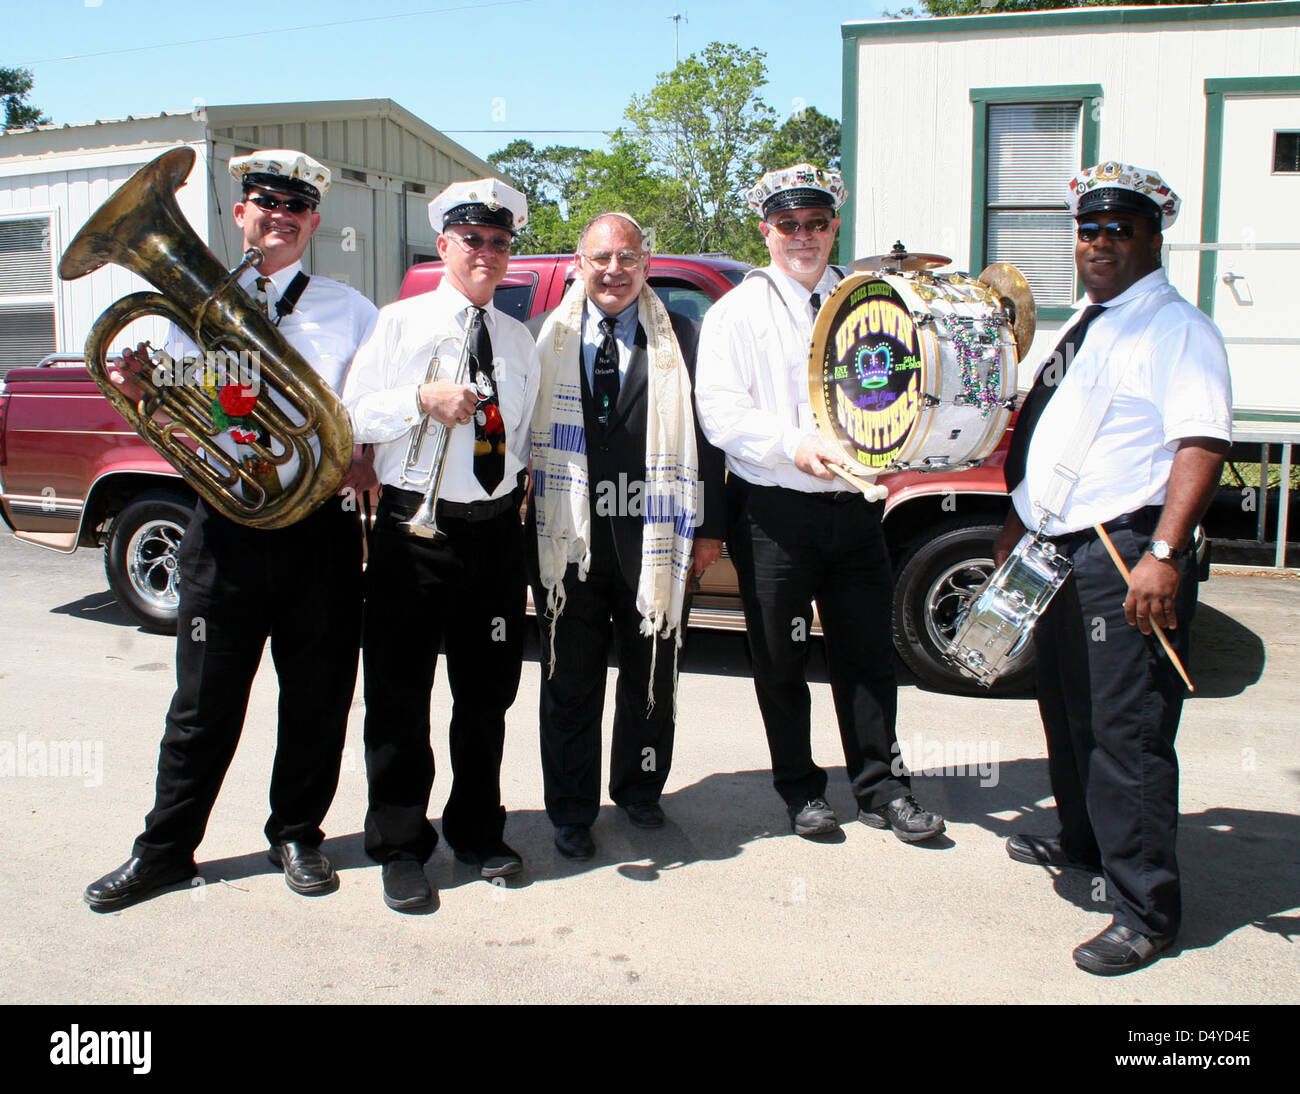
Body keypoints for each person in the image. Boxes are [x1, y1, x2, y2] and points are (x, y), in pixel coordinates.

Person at [84, 150, 379, 910]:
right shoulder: (189, 310)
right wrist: (141, 386)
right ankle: (166, 850)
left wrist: (365, 456)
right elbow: (192, 412)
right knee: (201, 707)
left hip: (320, 534)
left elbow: (372, 410)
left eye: (295, 207)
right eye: (263, 202)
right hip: (228, 534)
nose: (277, 216)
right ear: (240, 213)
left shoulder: (350, 309)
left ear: (313, 222)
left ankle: (297, 834)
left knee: (316, 701)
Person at [994, 161, 1232, 975]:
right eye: (1088, 229)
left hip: (1124, 550)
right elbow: (1050, 435)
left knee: (1126, 734)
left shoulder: (1177, 329)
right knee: (1067, 712)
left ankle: (1146, 910)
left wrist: (1163, 553)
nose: (1098, 242)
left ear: (1152, 237)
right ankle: (1083, 844)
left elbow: (1199, 442)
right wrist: (1015, 519)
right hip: (1056, 545)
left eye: (1117, 229)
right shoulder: (1086, 324)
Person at [694, 163, 944, 842]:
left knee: (866, 655)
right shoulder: (734, 313)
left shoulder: (871, 302)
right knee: (780, 660)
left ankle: (882, 788)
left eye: (815, 223)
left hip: (854, 510)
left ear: (834, 226)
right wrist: (790, 444)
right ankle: (801, 790)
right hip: (775, 510)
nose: (802, 236)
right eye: (787, 224)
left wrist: (895, 445)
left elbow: (896, 386)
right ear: (766, 229)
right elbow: (719, 412)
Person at [343, 179, 539, 912]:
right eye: (472, 240)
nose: (486, 253)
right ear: (445, 245)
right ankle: (399, 844)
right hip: (413, 534)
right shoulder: (400, 323)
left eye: (498, 242)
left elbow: (518, 440)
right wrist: (419, 400)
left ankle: (478, 831)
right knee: (398, 697)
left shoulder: (518, 339)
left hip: (491, 538)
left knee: (486, 698)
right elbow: (351, 411)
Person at [528, 212, 725, 860]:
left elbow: (710, 440)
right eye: (601, 257)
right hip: (572, 540)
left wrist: (710, 529)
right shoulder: (544, 339)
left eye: (627, 258)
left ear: (646, 263)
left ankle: (639, 790)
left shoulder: (684, 338)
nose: (613, 270)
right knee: (569, 683)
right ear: (581, 263)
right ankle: (572, 811)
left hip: (656, 535)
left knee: (651, 677)